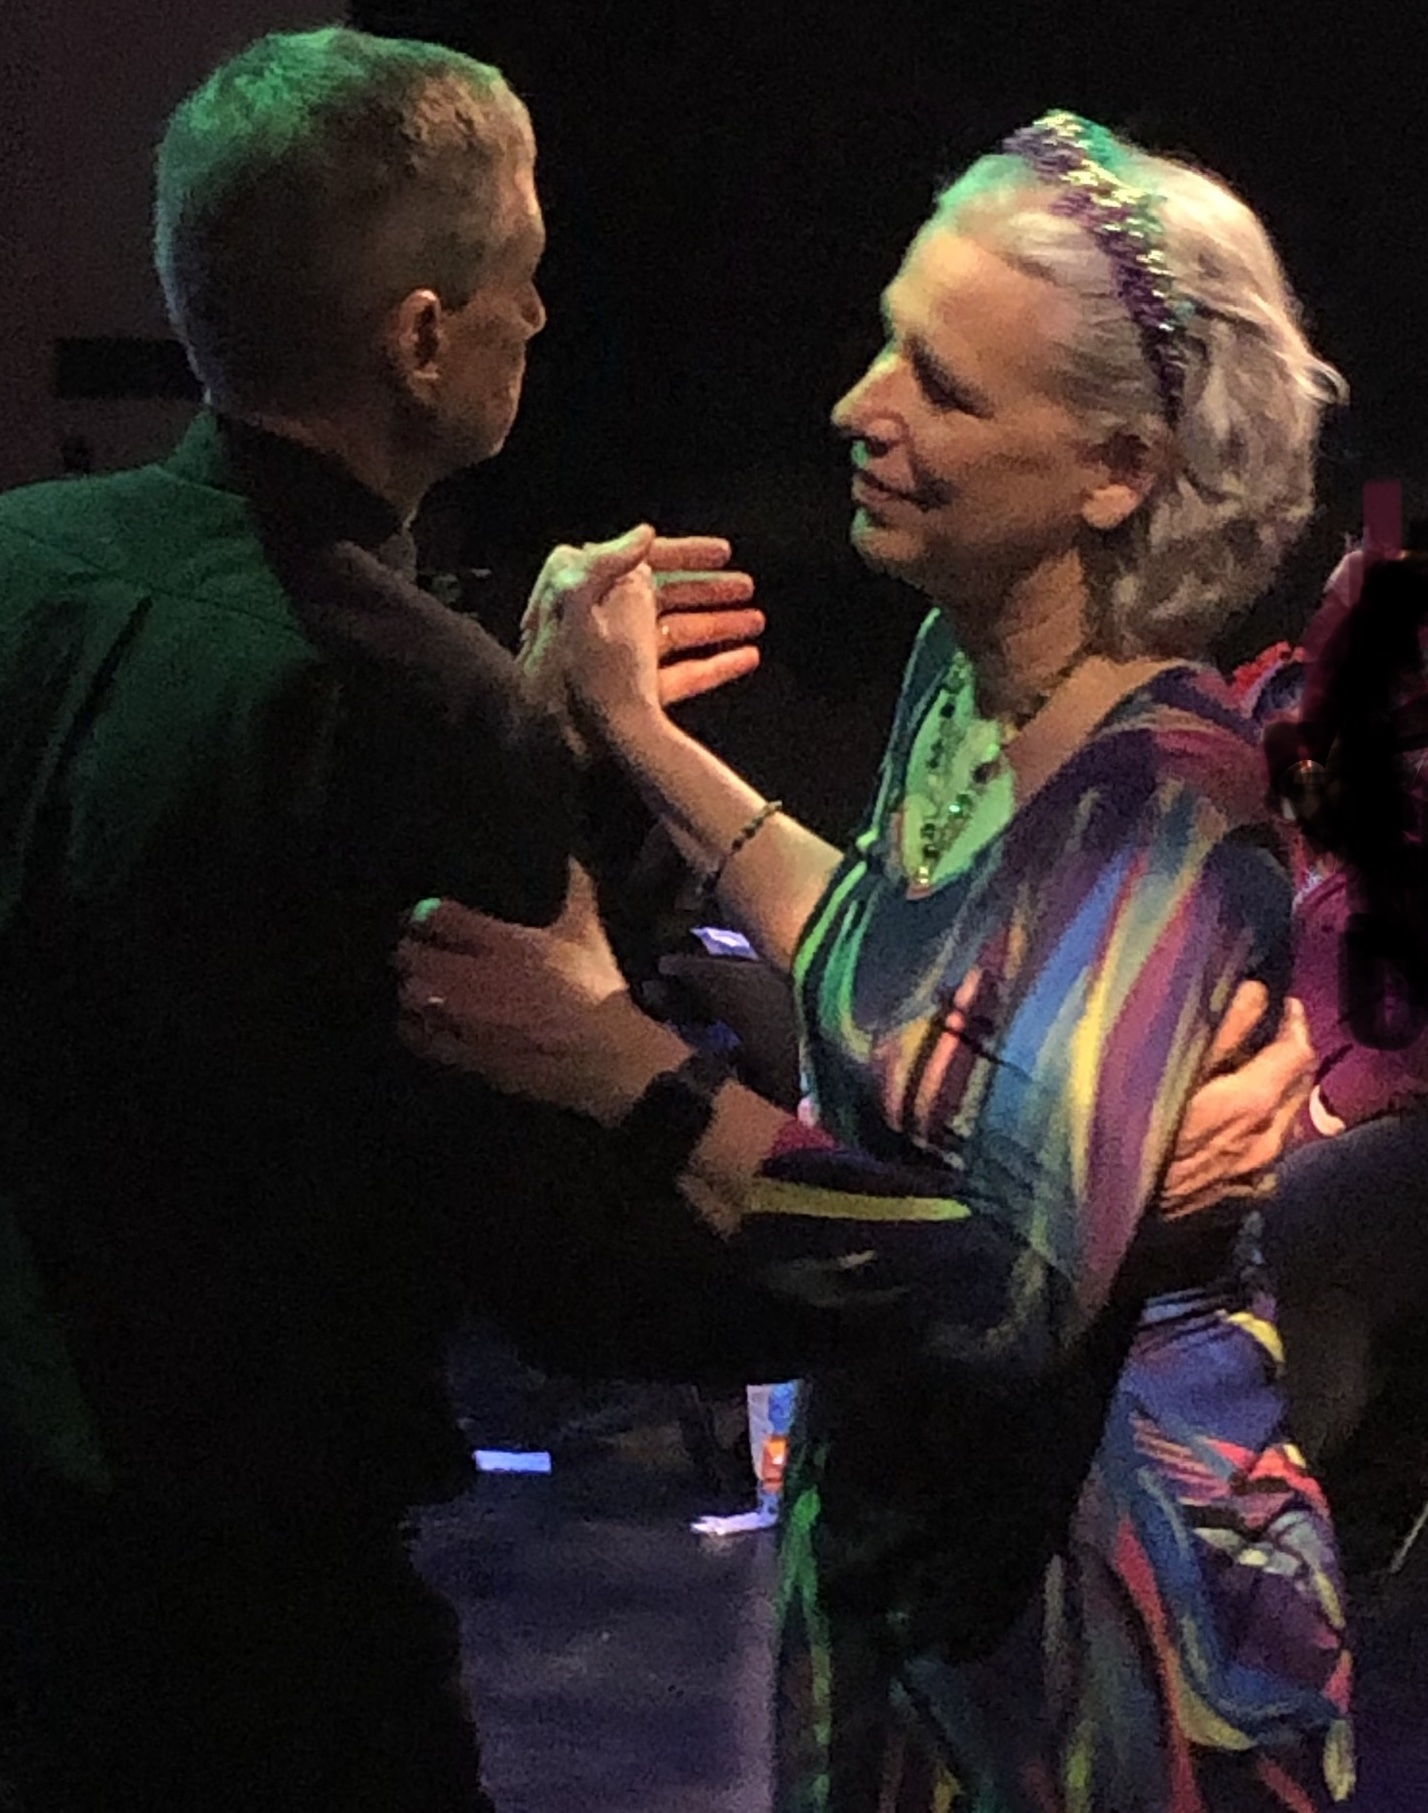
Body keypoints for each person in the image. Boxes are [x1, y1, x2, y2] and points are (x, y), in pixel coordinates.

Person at [394, 111, 1352, 1809]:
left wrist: (625, 1063)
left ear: (1118, 470)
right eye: (890, 340)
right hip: (920, 1565)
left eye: (944, 385)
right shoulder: (960, 669)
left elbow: (1000, 1291)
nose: (859, 404)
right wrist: (638, 733)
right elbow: (901, 968)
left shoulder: (1158, 804)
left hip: (1104, 1629)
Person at [0, 27, 794, 1813]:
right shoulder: (413, 709)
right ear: (422, 339)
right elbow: (562, 1266)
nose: (543, 316)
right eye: (521, 276)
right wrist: (909, 1263)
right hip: (254, 1635)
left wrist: (529, 757)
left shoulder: (26, 563)